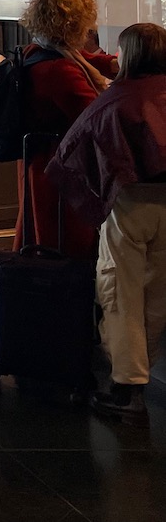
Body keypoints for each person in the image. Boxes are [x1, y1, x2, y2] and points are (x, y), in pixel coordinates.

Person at [48, 23, 166, 424]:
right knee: (157, 294)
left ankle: (127, 387)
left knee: (120, 289)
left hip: (130, 205)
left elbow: (78, 147)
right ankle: (144, 370)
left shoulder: (117, 98)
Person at [14, 0, 110, 258]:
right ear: (74, 24)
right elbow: (95, 116)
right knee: (64, 242)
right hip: (61, 169)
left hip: (37, 162)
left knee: (37, 233)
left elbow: (93, 61)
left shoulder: (39, 50)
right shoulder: (60, 70)